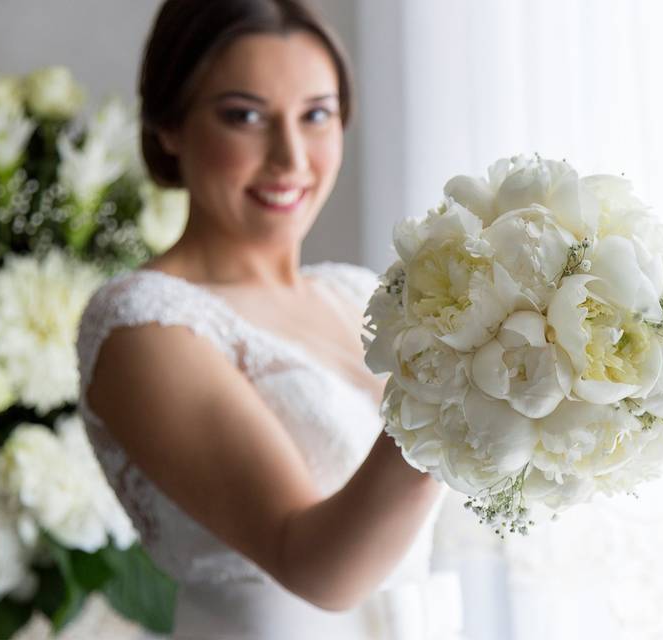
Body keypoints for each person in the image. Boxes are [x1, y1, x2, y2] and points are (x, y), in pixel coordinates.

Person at [75, 1, 464, 637]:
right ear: (170, 124)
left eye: (316, 114)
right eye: (245, 116)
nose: (290, 157)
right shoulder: (142, 326)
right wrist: (461, 395)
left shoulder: (357, 293)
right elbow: (313, 564)